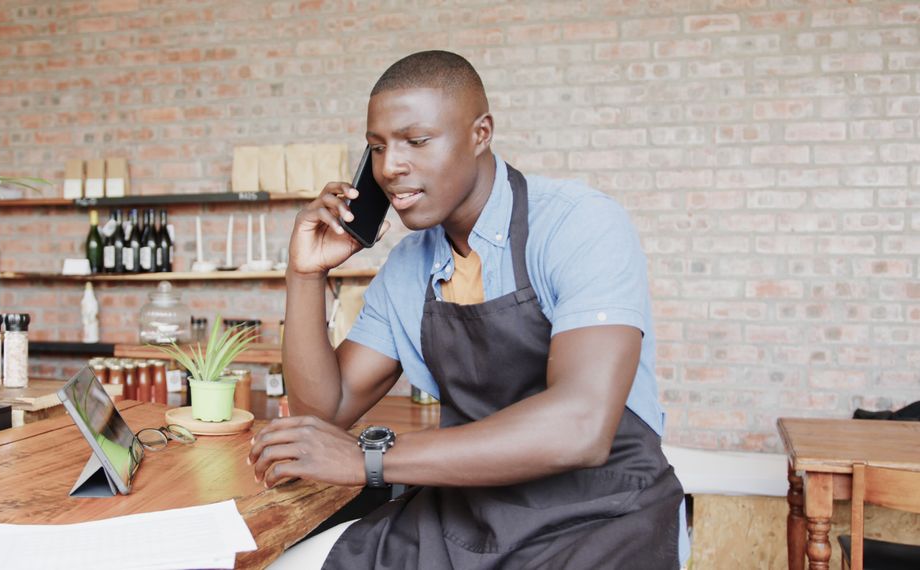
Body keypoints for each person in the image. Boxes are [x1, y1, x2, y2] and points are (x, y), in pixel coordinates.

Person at [250, 50, 688, 569]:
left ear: (481, 133)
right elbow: (324, 412)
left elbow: (581, 425)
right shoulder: (409, 269)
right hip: (466, 512)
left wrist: (370, 460)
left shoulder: (579, 225)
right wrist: (305, 274)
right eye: (377, 147)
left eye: (416, 141)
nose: (391, 168)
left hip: (600, 513)